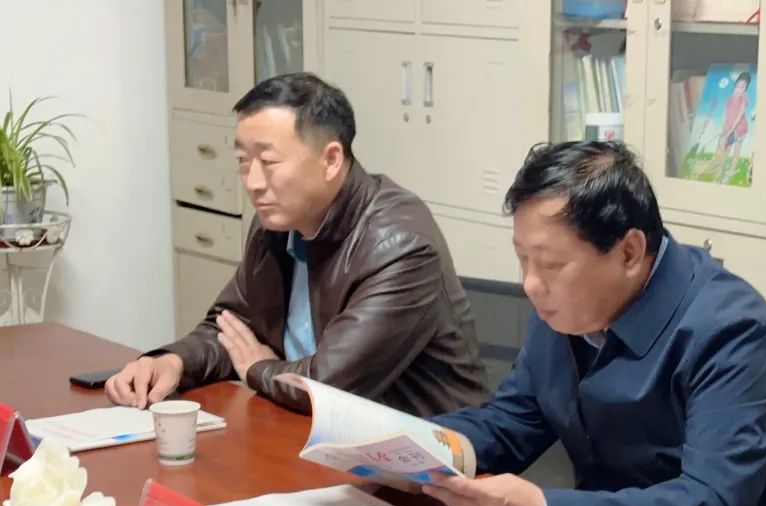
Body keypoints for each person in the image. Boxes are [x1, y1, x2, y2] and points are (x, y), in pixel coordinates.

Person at [423, 140, 766, 506]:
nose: (530, 284)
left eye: (550, 264)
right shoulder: (568, 310)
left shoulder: (732, 330)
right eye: (522, 259)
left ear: (629, 253)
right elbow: (512, 421)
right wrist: (418, 449)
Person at [106, 73, 487, 416]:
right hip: (310, 433)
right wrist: (172, 362)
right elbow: (232, 325)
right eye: (243, 160)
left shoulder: (401, 246)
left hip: (422, 453)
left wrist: (257, 369)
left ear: (331, 160)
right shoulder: (276, 224)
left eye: (269, 161)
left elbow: (328, 385)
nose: (253, 182)